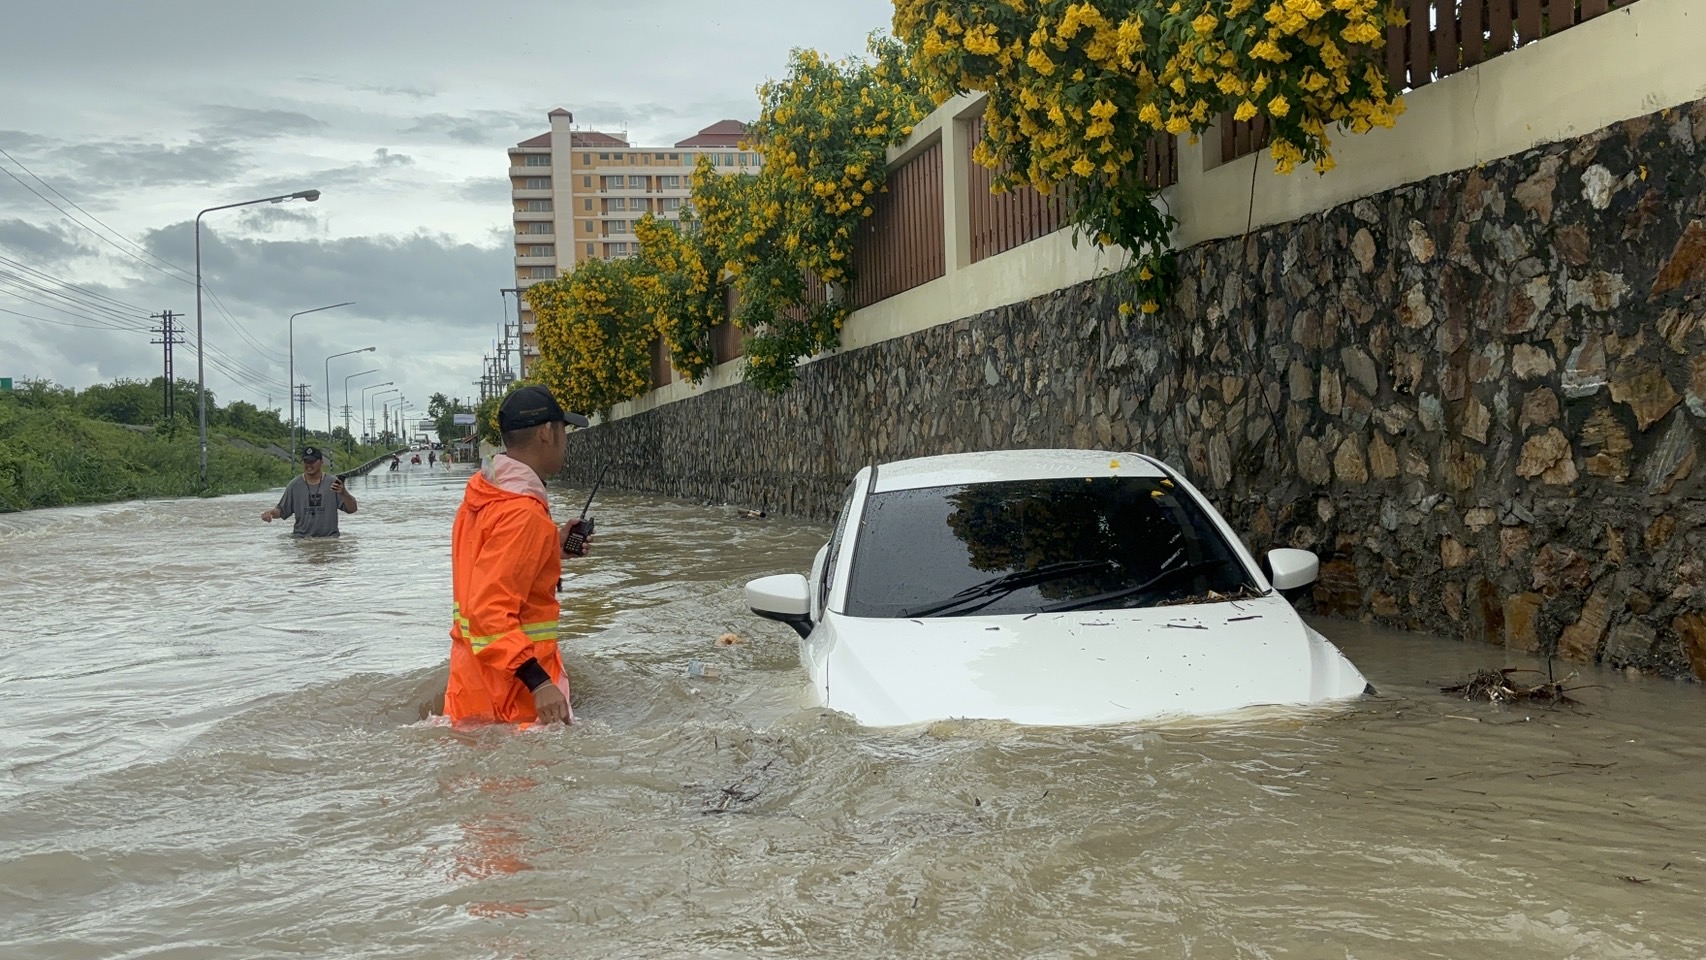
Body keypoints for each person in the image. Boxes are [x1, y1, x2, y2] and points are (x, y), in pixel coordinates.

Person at [444, 385, 591, 727]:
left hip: (473, 690)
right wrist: (539, 682)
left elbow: (484, 572)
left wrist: (550, 548)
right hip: (515, 701)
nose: (565, 441)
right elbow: (488, 612)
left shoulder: (483, 498)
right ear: (546, 432)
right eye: (563, 430)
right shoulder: (524, 513)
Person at [260, 446, 356, 537]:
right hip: (302, 539)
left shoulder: (333, 483)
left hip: (329, 538)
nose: (309, 465)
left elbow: (352, 509)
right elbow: (281, 510)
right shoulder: (294, 485)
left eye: (312, 462)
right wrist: (270, 513)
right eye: (306, 462)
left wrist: (344, 493)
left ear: (321, 462)